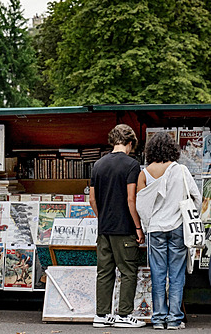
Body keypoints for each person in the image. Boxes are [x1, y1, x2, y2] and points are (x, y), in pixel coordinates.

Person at [136, 132, 202, 330]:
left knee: (157, 274)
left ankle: (158, 319)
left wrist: (148, 224)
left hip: (155, 229)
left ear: (150, 150)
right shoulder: (180, 170)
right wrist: (188, 216)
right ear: (172, 149)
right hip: (178, 228)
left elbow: (141, 206)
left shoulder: (144, 173)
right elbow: (197, 198)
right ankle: (174, 319)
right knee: (176, 275)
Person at [89, 124, 146, 329]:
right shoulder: (132, 165)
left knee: (104, 271)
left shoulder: (98, 165)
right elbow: (131, 199)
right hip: (124, 229)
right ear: (130, 143)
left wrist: (102, 216)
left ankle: (101, 315)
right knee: (128, 271)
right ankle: (124, 315)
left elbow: (92, 199)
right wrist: (138, 227)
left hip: (104, 229)